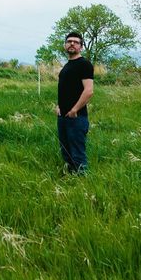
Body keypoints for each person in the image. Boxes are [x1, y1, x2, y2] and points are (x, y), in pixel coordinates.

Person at [56, 30, 94, 174]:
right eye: (69, 41)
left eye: (76, 42)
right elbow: (65, 89)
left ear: (81, 47)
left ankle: (82, 182)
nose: (72, 44)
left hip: (77, 117)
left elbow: (89, 91)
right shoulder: (67, 66)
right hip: (63, 117)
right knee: (66, 152)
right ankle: (71, 180)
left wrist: (74, 110)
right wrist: (59, 106)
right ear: (65, 45)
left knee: (77, 153)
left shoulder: (84, 65)